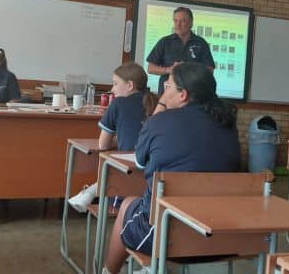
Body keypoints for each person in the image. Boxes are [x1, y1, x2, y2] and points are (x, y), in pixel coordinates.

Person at [103, 62, 241, 274]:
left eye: (167, 88)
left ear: (183, 95)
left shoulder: (159, 121)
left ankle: (108, 272)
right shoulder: (227, 123)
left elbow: (140, 162)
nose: (162, 93)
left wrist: (159, 109)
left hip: (166, 236)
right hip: (220, 236)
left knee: (127, 205)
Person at [67, 62, 157, 213]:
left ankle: (91, 191)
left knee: (111, 177)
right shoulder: (155, 102)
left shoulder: (118, 103)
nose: (112, 89)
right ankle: (91, 190)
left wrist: (119, 139)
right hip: (153, 178)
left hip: (128, 177)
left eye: (115, 84)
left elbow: (103, 144)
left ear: (130, 85)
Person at [146, 7, 214, 95]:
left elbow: (210, 70)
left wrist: (191, 71)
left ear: (191, 23)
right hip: (167, 95)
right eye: (175, 21)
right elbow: (150, 68)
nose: (178, 25)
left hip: (192, 95)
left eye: (183, 21)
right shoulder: (165, 42)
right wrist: (169, 70)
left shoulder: (201, 43)